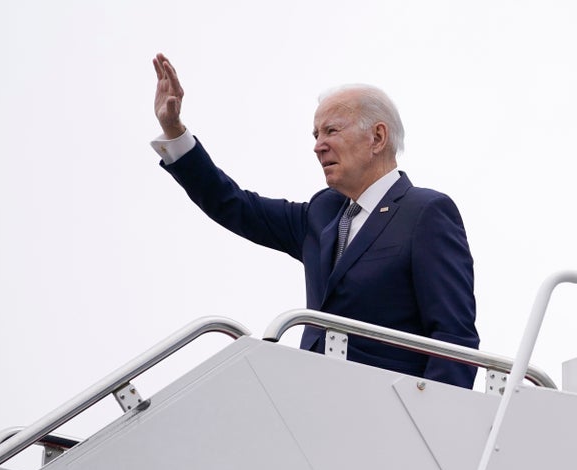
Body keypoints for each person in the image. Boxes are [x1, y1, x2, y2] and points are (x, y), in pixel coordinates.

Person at [151, 53, 480, 388]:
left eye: (331, 131)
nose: (318, 146)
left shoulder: (425, 211)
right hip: (314, 404)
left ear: (378, 138)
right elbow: (233, 205)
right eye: (315, 135)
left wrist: (432, 421)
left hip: (393, 412)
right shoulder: (323, 213)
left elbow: (453, 336)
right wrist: (175, 132)